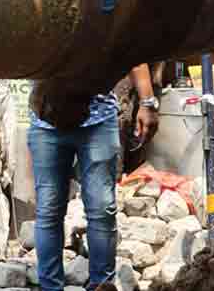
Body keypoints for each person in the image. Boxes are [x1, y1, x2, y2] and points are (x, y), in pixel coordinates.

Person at [29, 64, 157, 291]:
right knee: (48, 211)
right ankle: (50, 287)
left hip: (97, 120)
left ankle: (102, 285)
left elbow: (130, 47)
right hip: (46, 121)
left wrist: (147, 102)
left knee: (101, 210)